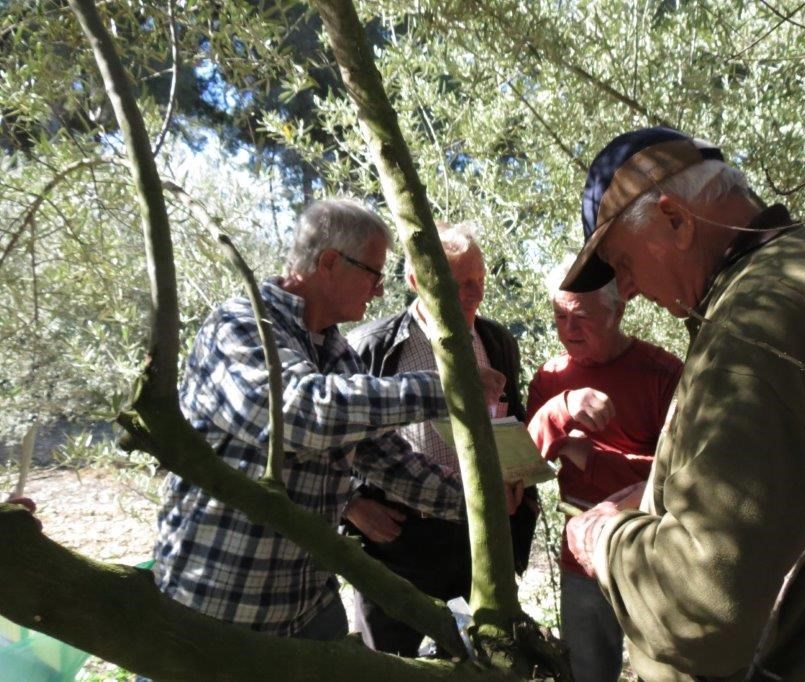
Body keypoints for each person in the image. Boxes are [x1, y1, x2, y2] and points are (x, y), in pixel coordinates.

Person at [559, 127, 805, 681]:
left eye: (622, 263)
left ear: (675, 220)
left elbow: (704, 609)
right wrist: (668, 495)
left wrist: (603, 540)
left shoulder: (753, 329)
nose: (628, 289)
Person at [152, 199, 510, 641]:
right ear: (329, 262)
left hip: (307, 607)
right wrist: (447, 389)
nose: (379, 291)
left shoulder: (334, 351)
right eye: (374, 274)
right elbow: (304, 413)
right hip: (220, 605)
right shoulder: (241, 326)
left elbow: (385, 457)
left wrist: (477, 501)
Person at [345, 222, 536, 656]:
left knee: (476, 657)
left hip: (479, 538)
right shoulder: (370, 347)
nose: (474, 293)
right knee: (390, 663)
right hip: (399, 539)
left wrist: (516, 483)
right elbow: (333, 443)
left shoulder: (496, 341)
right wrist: (352, 505)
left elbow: (512, 423)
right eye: (460, 283)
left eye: (480, 281)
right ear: (416, 281)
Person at [526, 257, 682, 682]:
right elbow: (523, 461)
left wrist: (591, 458)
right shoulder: (550, 378)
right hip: (579, 558)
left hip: (652, 553)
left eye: (581, 318)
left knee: (667, 673)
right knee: (587, 673)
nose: (568, 331)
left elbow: (683, 476)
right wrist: (559, 411)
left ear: (617, 311)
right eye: (559, 316)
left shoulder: (662, 374)